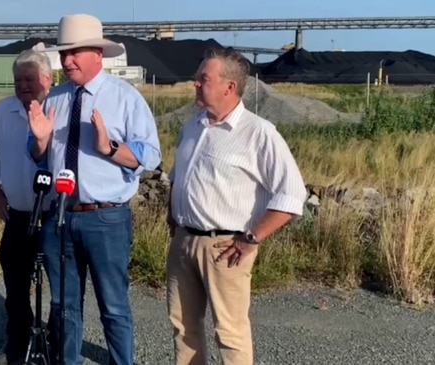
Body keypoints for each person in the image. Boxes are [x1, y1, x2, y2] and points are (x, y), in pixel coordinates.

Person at [26, 13, 162, 365]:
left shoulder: (125, 98)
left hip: (106, 219)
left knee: (113, 306)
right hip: (60, 216)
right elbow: (39, 158)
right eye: (64, 53)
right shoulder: (54, 99)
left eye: (75, 53)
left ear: (98, 55)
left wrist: (110, 148)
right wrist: (39, 142)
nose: (67, 61)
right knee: (64, 306)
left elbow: (149, 156)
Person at [166, 47, 307, 365]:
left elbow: (291, 194)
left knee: (229, 334)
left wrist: (252, 238)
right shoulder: (192, 126)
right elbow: (178, 176)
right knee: (183, 327)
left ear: (229, 87)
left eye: (204, 79)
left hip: (227, 246)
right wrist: (171, 215)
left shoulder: (259, 133)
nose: (196, 84)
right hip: (183, 242)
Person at [0, 49, 54, 365]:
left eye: (30, 79)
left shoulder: (60, 108)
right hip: (18, 215)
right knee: (16, 287)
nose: (23, 85)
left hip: (56, 215)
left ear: (48, 79)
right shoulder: (1, 112)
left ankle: (59, 344)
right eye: (18, 79)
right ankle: (17, 345)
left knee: (63, 289)